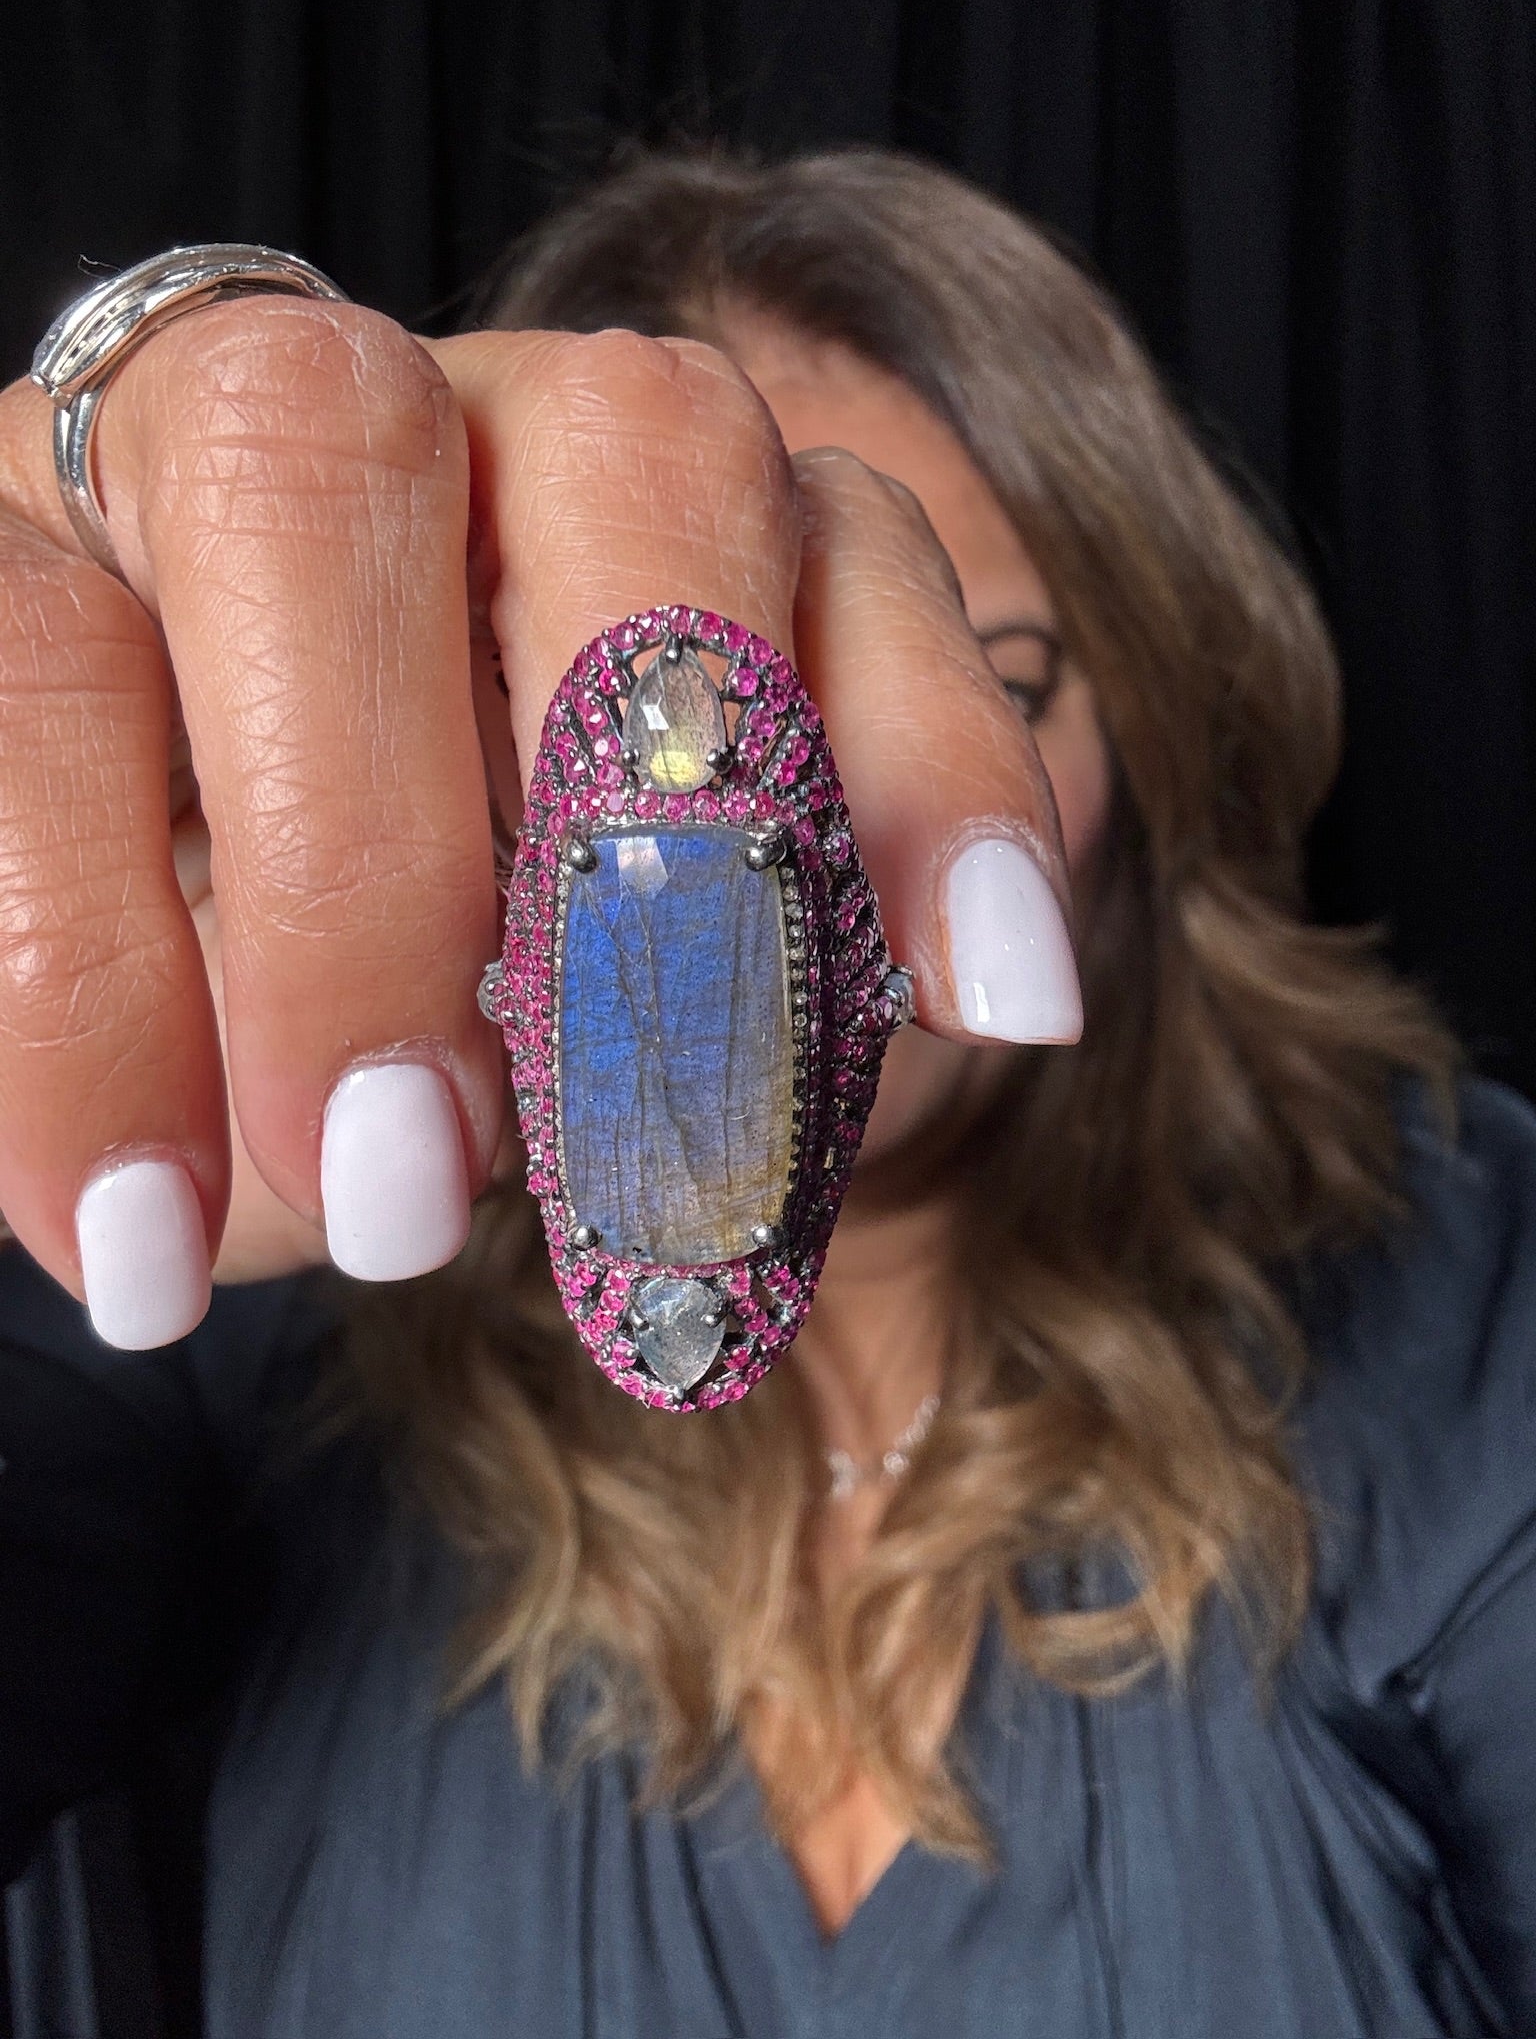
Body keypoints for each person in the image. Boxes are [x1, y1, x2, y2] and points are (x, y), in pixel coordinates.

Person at [0, 146, 1532, 2037]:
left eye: (994, 678)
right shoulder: (255, 1324)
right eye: (702, 722)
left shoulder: (1469, 1299)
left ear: (1152, 750)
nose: (788, 846)